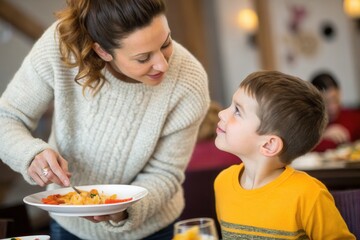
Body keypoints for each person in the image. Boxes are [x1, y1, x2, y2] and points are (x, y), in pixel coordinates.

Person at [0, 0, 210, 239]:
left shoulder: (189, 81)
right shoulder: (61, 46)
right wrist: (30, 154)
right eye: (143, 58)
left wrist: (123, 210)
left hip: (153, 229)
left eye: (166, 43)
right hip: (70, 224)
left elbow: (166, 172)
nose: (162, 64)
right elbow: (7, 117)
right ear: (102, 51)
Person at [214, 70, 355, 239]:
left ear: (269, 144)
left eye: (237, 111)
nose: (221, 113)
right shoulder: (222, 183)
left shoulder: (308, 195)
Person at [310, 72, 360, 152]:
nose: (332, 107)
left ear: (340, 93)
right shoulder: (310, 126)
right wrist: (322, 136)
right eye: (326, 103)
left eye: (335, 100)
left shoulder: (354, 117)